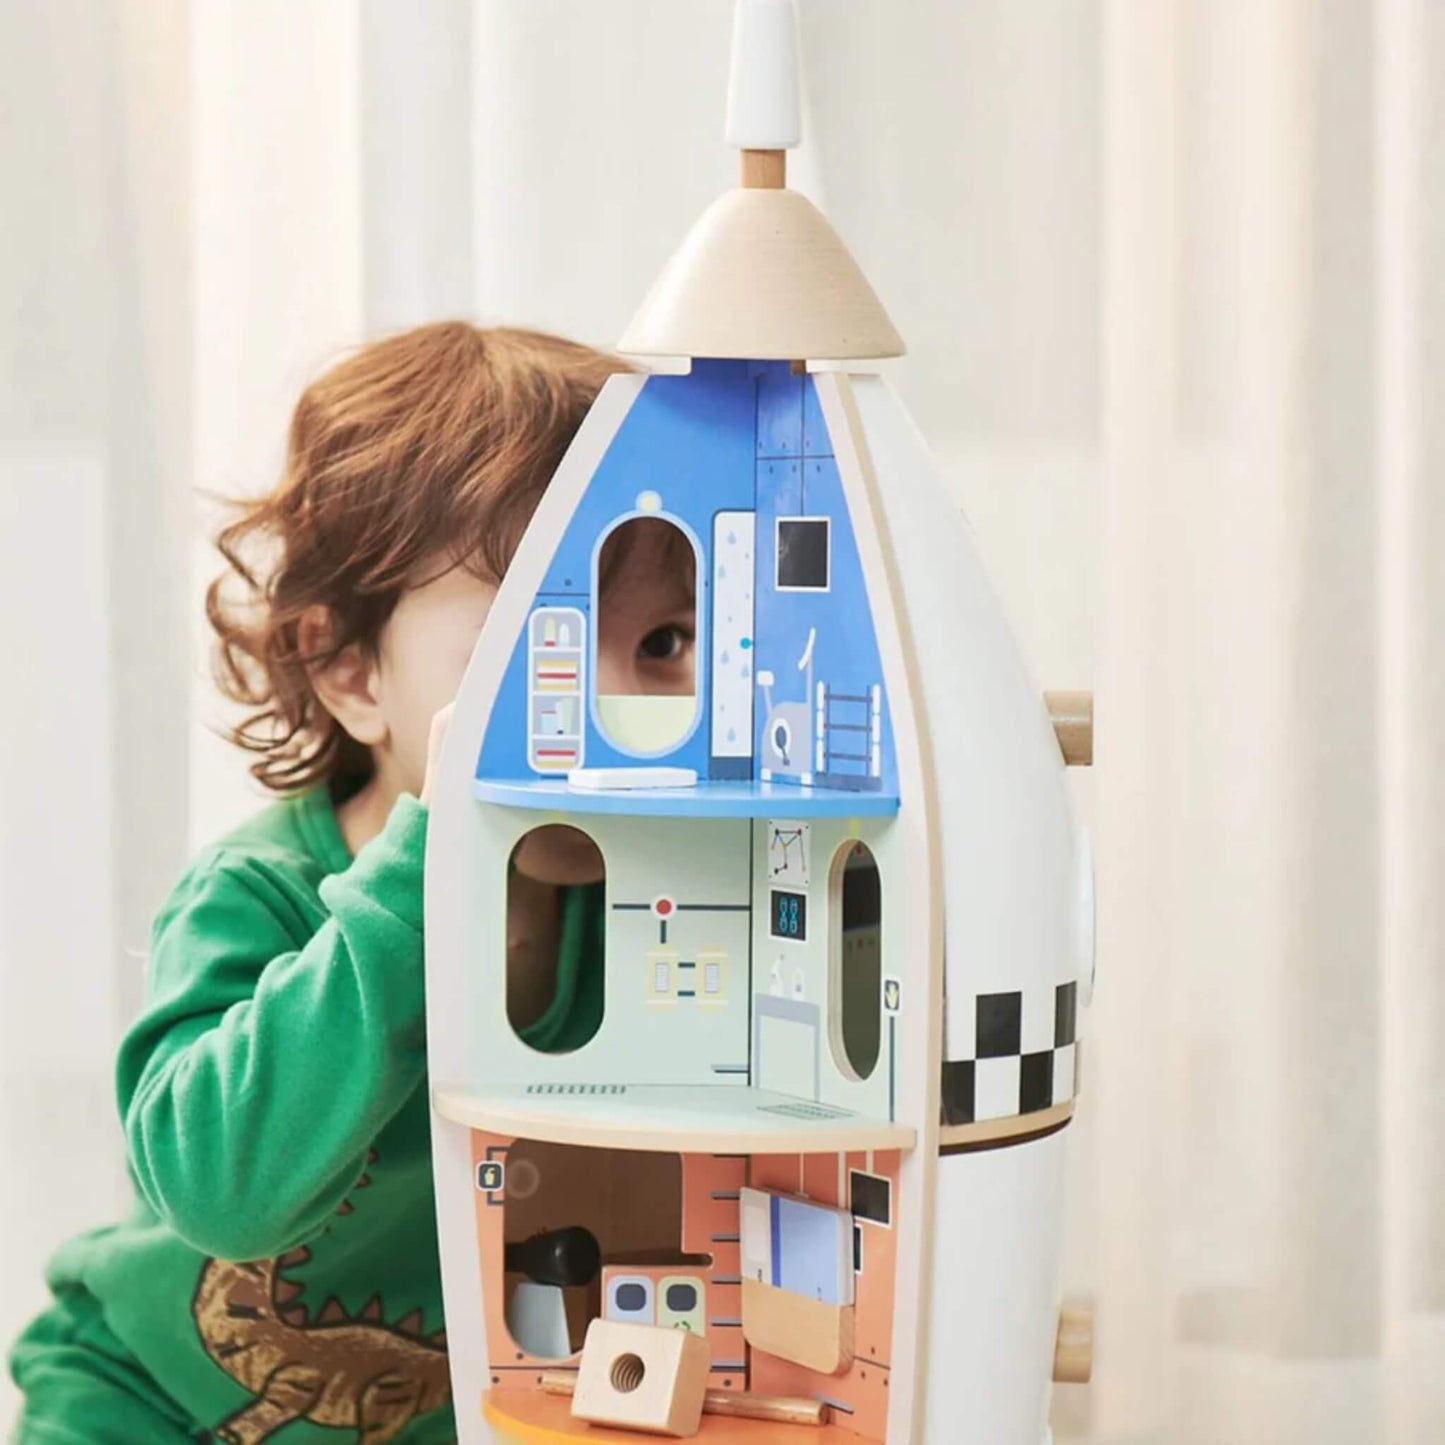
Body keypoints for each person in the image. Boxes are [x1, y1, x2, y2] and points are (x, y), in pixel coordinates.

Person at [7, 322, 697, 1444]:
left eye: (665, 640)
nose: (619, 712)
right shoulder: (258, 893)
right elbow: (218, 1188)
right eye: (539, 648)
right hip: (146, 1403)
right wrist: (432, 869)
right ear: (350, 672)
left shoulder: (658, 906)